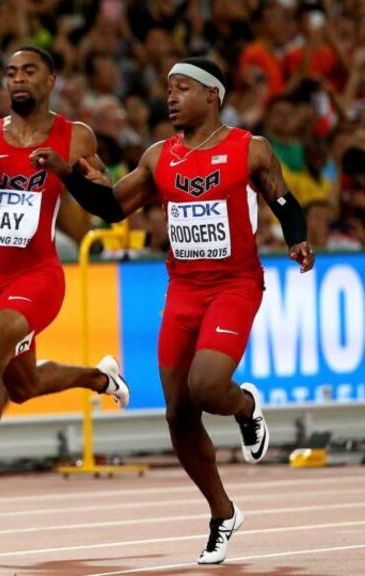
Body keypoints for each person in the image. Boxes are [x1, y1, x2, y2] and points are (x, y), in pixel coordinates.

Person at [32, 57, 314, 565]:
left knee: (206, 388)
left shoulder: (249, 149)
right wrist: (67, 174)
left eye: (182, 88)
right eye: (168, 89)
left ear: (213, 96)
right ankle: (222, 514)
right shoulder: (160, 157)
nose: (171, 97)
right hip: (183, 289)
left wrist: (297, 240)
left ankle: (245, 407)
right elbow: (113, 205)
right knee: (178, 414)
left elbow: (284, 200)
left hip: (234, 284)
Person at [0, 47, 131, 525]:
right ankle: (99, 378)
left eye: (29, 71)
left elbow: (100, 198)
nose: (17, 79)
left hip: (38, 276)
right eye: (10, 73)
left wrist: (91, 179)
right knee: (20, 386)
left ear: (51, 81)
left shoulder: (75, 136)